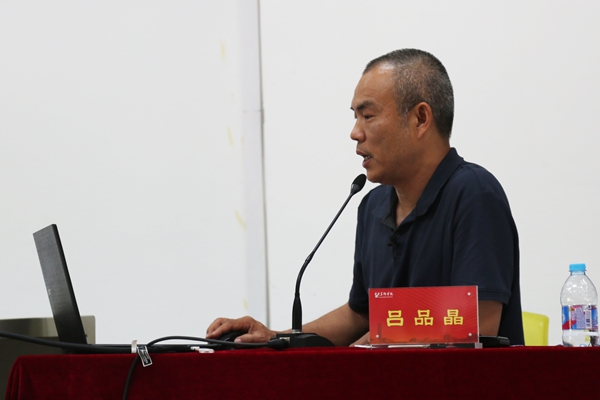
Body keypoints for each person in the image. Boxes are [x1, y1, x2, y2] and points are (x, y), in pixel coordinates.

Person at [207, 49, 524, 346]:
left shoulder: (474, 194)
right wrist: (276, 339)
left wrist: (365, 348)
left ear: (420, 119)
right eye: (355, 117)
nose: (355, 133)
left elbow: (478, 323)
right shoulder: (372, 205)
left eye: (368, 116)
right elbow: (360, 315)